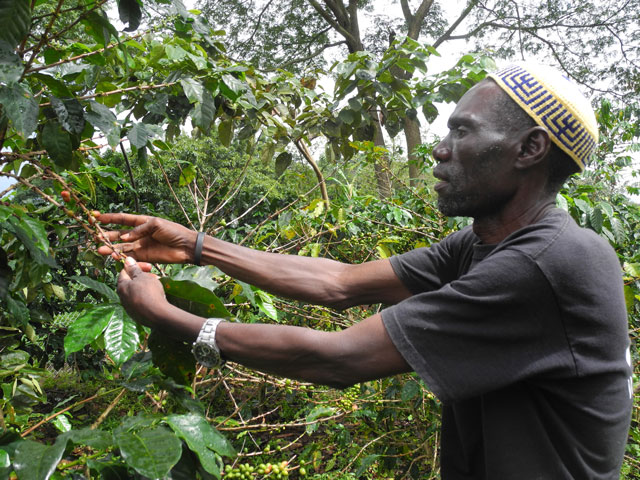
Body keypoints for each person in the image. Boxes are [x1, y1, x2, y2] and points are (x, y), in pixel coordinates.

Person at [97, 63, 632, 479]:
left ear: (530, 148)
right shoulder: (482, 243)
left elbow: (339, 358)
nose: (439, 151)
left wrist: (168, 318)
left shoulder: (545, 263)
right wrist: (194, 244)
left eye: (463, 133)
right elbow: (338, 283)